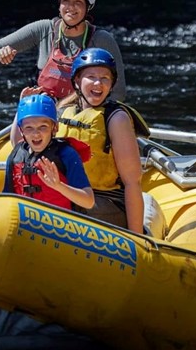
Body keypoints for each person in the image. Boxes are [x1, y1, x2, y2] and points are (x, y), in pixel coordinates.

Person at [0, 0, 126, 101]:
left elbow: (118, 93)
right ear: (59, 4)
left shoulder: (102, 39)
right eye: (66, 1)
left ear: (88, 6)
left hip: (82, 118)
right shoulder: (44, 29)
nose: (71, 7)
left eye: (78, 2)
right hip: (44, 116)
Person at [55, 47, 145, 233]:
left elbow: (132, 182)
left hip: (105, 204)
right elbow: (22, 148)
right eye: (91, 77)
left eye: (105, 78)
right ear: (77, 80)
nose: (98, 83)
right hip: (68, 195)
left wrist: (137, 238)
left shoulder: (116, 118)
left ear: (112, 84)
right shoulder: (64, 112)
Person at [4, 93, 94, 210]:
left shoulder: (66, 154)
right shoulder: (16, 156)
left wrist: (59, 186)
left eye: (43, 127)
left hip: (61, 224)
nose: (36, 134)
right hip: (27, 223)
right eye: (29, 128)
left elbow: (89, 201)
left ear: (55, 128)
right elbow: (7, 196)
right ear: (21, 131)